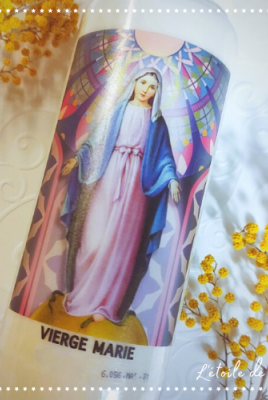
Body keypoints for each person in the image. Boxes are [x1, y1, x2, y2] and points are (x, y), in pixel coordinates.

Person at [60, 67, 181, 325]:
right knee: (92, 238)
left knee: (121, 244)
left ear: (157, 92)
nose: (146, 90)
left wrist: (171, 179)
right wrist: (78, 159)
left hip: (135, 186)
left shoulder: (157, 122)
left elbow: (164, 158)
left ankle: (106, 304)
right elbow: (96, 141)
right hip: (109, 175)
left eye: (152, 87)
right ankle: (81, 295)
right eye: (143, 83)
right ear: (135, 82)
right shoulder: (117, 110)